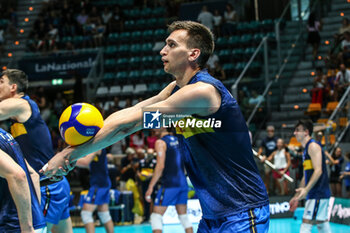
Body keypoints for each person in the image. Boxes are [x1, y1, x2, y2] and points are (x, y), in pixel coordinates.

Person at [43, 21, 270, 232]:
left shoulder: (202, 92)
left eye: (172, 45)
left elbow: (135, 122)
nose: (163, 51)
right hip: (213, 216)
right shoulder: (175, 89)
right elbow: (131, 114)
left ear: (194, 54)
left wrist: (67, 154)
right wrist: (69, 154)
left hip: (243, 210)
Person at [0, 69, 73, 233]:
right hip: (54, 183)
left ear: (13, 87)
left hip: (47, 187)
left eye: (1, 82)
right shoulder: (17, 118)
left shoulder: (22, 104)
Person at [144, 128, 193, 233]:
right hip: (183, 184)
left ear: (163, 126)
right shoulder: (178, 140)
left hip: (169, 184)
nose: (152, 128)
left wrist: (150, 186)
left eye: (155, 125)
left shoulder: (160, 142)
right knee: (184, 217)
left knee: (156, 217)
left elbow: (160, 166)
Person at [0, 128, 46, 233]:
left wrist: (27, 227)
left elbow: (18, 176)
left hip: (13, 226)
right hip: (36, 223)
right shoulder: (5, 135)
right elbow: (33, 175)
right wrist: (35, 214)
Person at [289, 119, 331, 233]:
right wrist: (296, 196)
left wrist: (306, 190)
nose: (295, 133)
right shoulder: (306, 149)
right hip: (314, 192)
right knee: (321, 222)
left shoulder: (313, 146)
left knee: (307, 222)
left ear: (306, 132)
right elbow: (306, 176)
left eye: (298, 130)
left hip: (318, 192)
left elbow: (318, 171)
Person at [76, 149, 114, 233]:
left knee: (86, 214)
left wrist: (67, 161)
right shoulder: (96, 146)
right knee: (104, 214)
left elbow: (85, 162)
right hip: (102, 183)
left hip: (99, 185)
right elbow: (88, 164)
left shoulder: (97, 147)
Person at [259, 125, 278, 194]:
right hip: (267, 160)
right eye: (268, 131)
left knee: (275, 176)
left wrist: (272, 156)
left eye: (271, 131)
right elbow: (261, 148)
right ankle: (267, 190)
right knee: (267, 175)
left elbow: (278, 150)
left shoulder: (276, 139)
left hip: (275, 160)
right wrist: (259, 154)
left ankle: (275, 190)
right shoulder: (264, 140)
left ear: (274, 132)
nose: (270, 132)